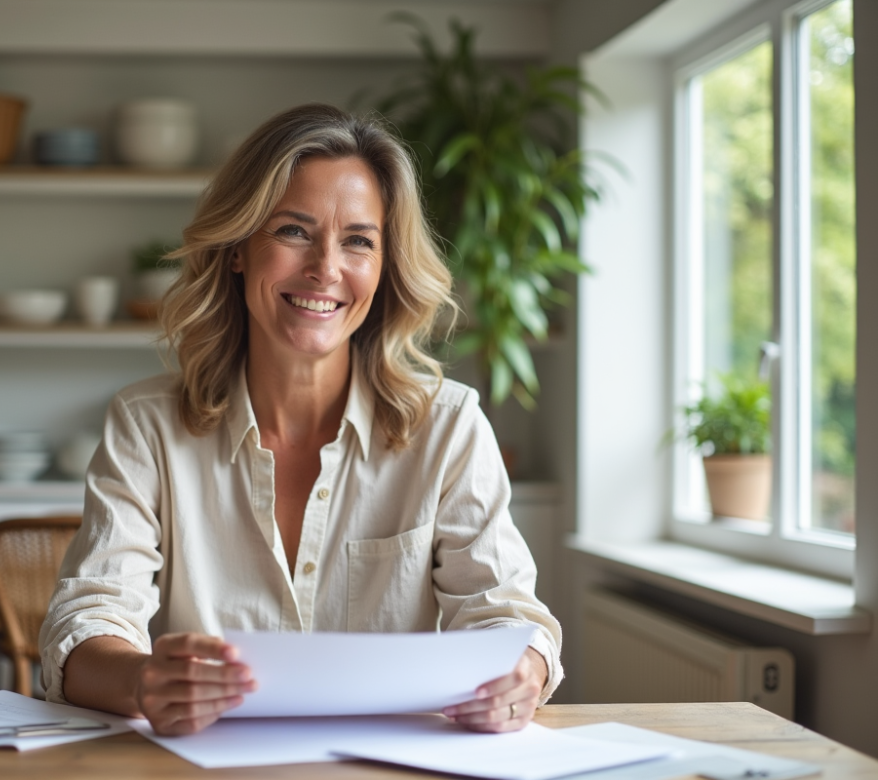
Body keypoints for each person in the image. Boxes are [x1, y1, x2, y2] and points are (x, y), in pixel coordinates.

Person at [39, 103, 562, 737]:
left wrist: (521, 672)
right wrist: (142, 681)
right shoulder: (147, 425)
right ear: (238, 249)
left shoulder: (448, 427)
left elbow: (503, 614)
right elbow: (87, 619)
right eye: (293, 231)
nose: (325, 268)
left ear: (383, 267)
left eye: (359, 241)